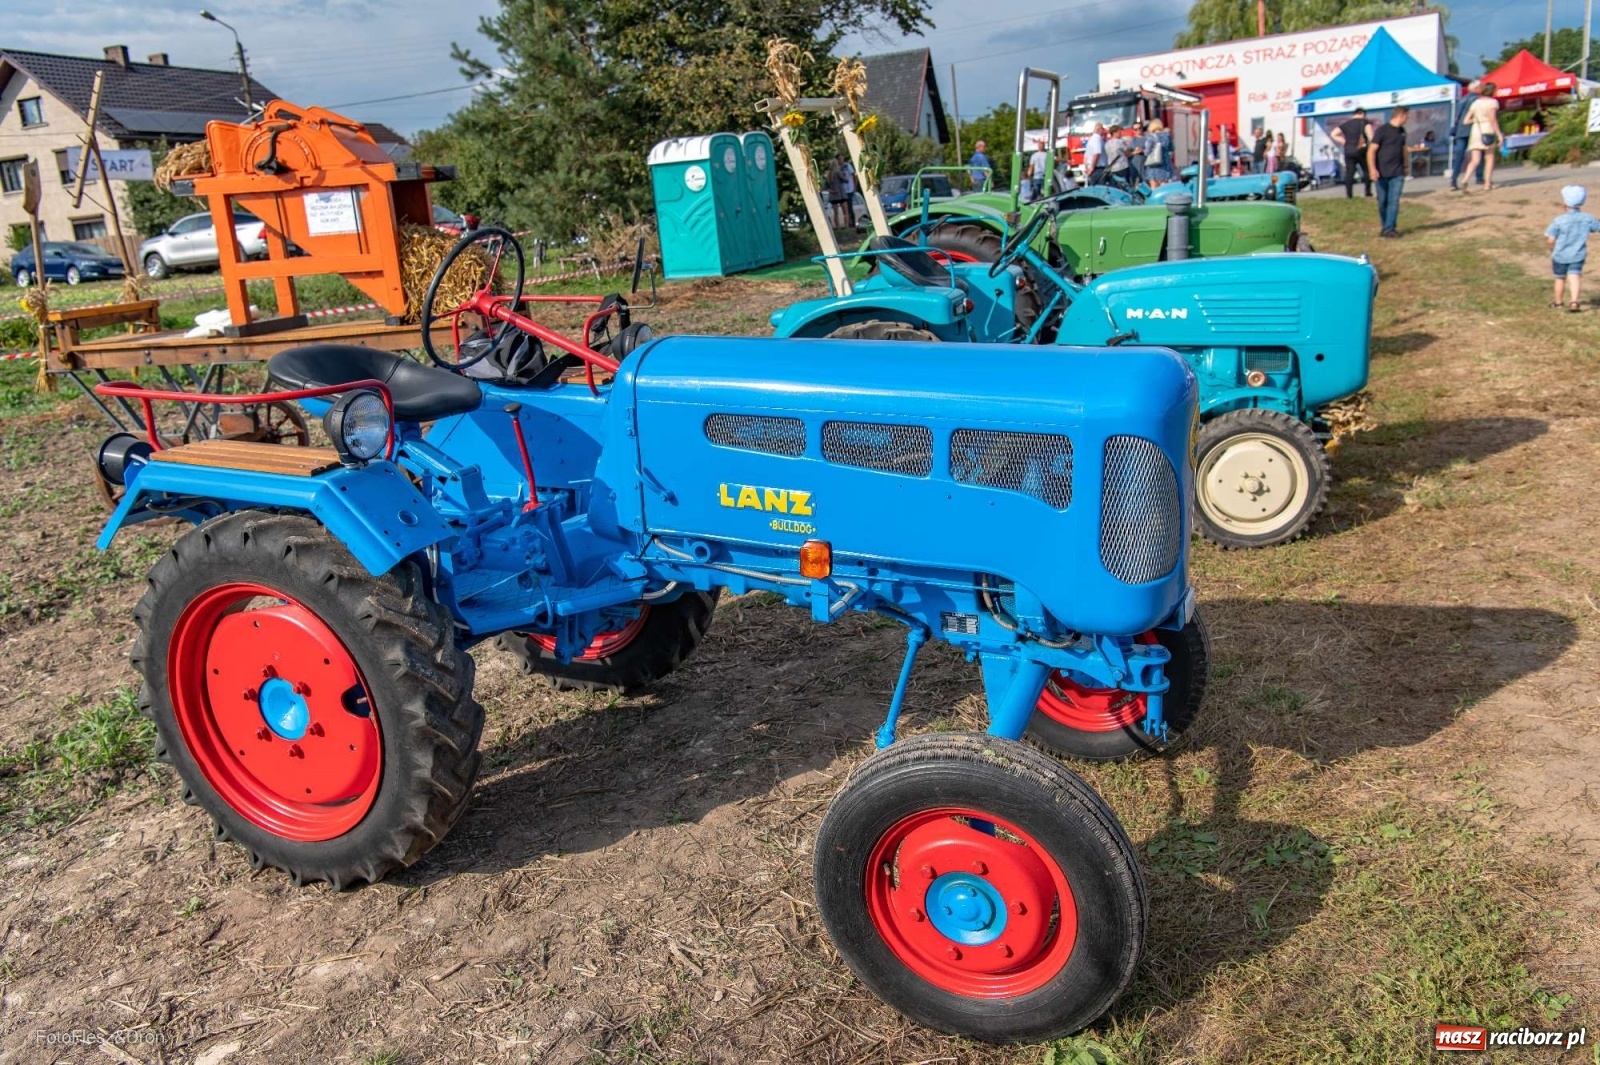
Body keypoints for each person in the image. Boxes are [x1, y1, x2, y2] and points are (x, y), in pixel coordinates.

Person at [1366, 105, 1427, 237]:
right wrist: (1372, 169)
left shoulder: (1402, 131)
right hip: (1381, 171)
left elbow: (1403, 149)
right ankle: (1385, 226)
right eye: (1407, 116)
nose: (1407, 119)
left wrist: (1406, 166)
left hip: (1397, 171)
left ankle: (1390, 228)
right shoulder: (1382, 130)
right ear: (1401, 115)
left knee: (1394, 200)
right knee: (1383, 201)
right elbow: (1371, 150)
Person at [1546, 184, 1600, 312]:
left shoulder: (1559, 220)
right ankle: (1574, 302)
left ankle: (1558, 302)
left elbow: (1551, 239)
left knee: (1560, 278)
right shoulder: (1588, 218)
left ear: (1564, 204)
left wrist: (1551, 248)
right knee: (1575, 276)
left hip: (1560, 255)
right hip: (1578, 254)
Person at [1463, 82, 1502, 193]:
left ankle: (1465, 179)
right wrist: (1499, 134)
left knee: (1475, 160)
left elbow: (1465, 121)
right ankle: (1487, 183)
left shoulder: (1475, 103)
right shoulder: (1493, 102)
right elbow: (1493, 120)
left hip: (1476, 130)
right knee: (1489, 158)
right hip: (1487, 130)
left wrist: (1476, 120)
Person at [1331, 107, 1372, 197]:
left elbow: (1333, 134)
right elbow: (1370, 136)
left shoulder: (1346, 124)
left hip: (1349, 150)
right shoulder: (1365, 123)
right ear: (1362, 114)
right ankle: (1368, 192)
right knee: (1366, 170)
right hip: (1362, 150)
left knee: (1350, 172)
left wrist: (1344, 141)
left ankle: (1349, 194)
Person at [1450, 81, 1481, 191]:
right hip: (1472, 129)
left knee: (1459, 157)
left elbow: (1456, 117)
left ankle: (1453, 180)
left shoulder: (1462, 99)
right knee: (1477, 153)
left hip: (1460, 131)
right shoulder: (1477, 100)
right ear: (1476, 88)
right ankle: (1479, 177)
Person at [1144, 119, 1173, 185]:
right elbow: (1171, 148)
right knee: (1164, 189)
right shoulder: (1167, 136)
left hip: (1154, 167)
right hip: (1165, 167)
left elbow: (1146, 152)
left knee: (1154, 190)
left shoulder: (1150, 138)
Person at [825, 155, 848, 228]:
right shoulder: (837, 172)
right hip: (840, 194)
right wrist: (845, 176)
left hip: (833, 195)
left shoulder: (828, 174)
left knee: (836, 213)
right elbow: (844, 180)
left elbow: (826, 185)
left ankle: (837, 227)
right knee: (845, 212)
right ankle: (846, 226)